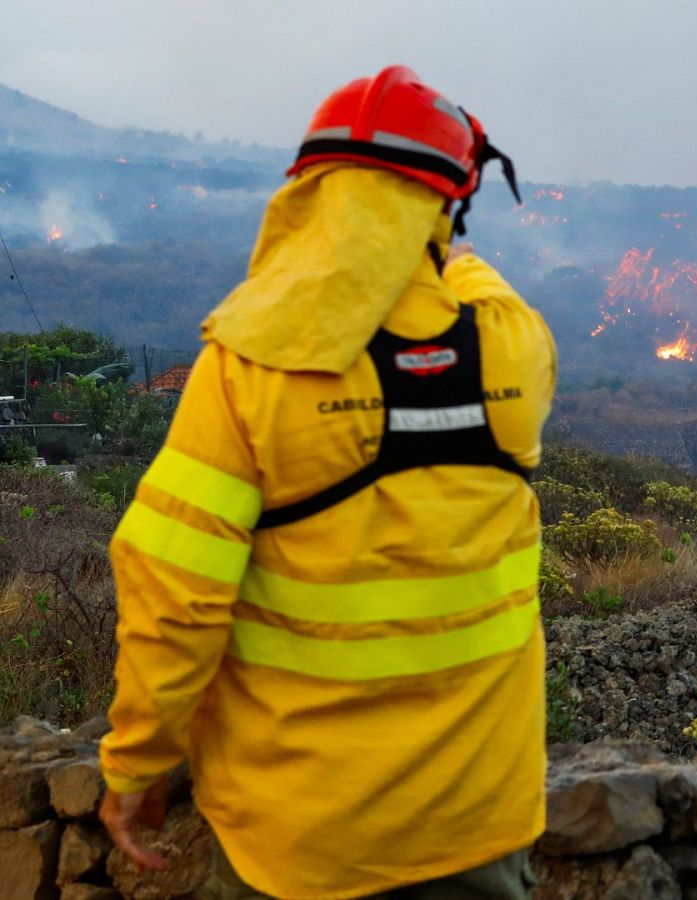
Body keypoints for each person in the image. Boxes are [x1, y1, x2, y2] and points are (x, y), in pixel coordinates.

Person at [96, 66, 556, 899]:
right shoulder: (515, 347)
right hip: (478, 823)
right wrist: (439, 233)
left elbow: (175, 597)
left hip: (301, 836)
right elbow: (468, 277)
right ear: (446, 206)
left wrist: (136, 763)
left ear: (309, 194)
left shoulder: (246, 367)